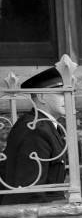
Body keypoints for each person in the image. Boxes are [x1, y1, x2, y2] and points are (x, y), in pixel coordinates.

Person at [1, 67, 67, 205]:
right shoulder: (35, 129)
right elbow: (30, 190)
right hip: (35, 217)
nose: (68, 97)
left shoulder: (47, 125)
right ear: (42, 97)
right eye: (61, 93)